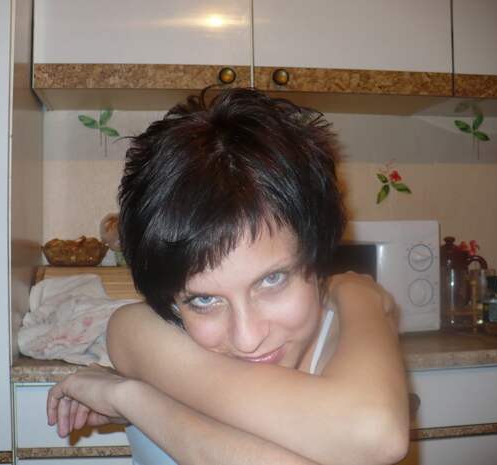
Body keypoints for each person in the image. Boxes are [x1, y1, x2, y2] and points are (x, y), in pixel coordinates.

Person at [47, 88, 409, 465]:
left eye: (272, 280)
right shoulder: (138, 329)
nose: (248, 339)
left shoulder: (350, 344)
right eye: (204, 300)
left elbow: (375, 434)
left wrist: (130, 398)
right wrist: (361, 295)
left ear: (317, 255)